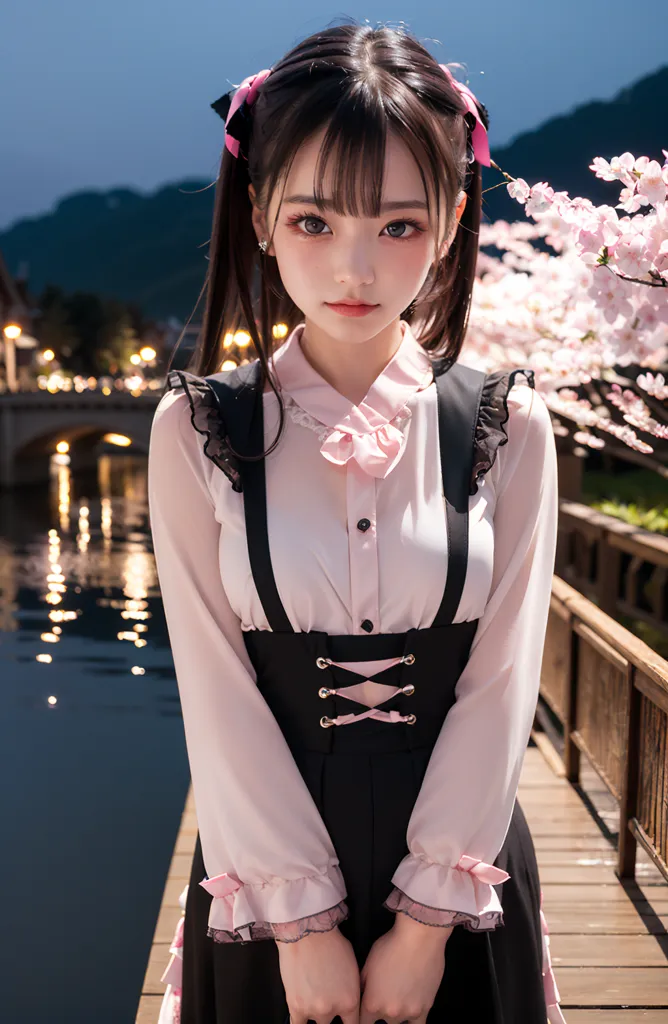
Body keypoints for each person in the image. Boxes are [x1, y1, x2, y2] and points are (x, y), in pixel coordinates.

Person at [148, 21, 567, 1024]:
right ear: (257, 217)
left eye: (396, 226)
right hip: (264, 880)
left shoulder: (507, 429)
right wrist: (300, 927)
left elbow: (502, 681)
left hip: (463, 876)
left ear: (454, 216)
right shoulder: (197, 431)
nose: (354, 267)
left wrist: (424, 927)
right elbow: (214, 691)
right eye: (311, 222)